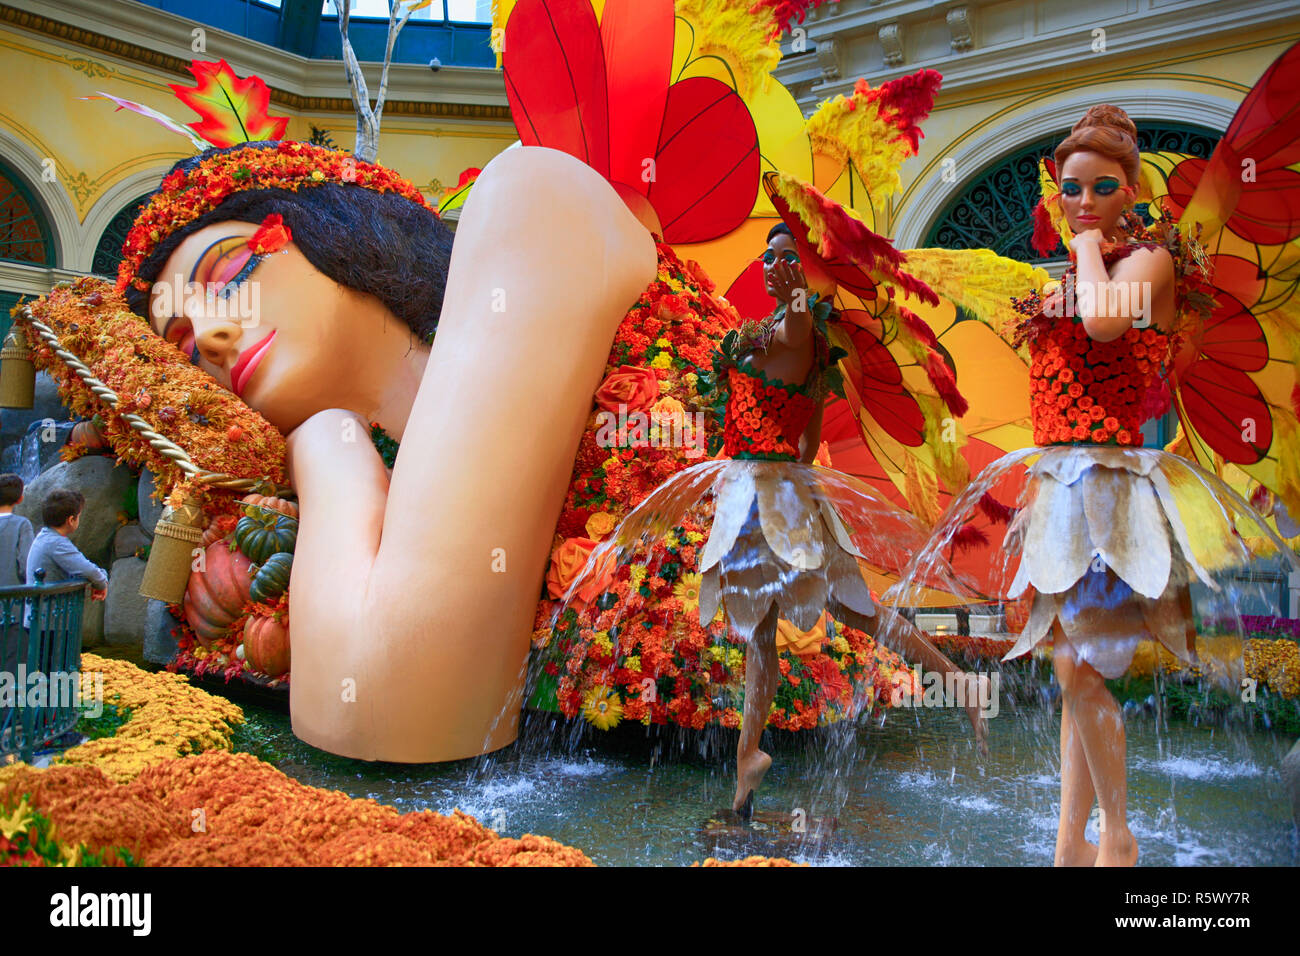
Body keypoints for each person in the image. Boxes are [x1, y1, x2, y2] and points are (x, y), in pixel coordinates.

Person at [889, 104, 1300, 866]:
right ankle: (1068, 843)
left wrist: (1082, 252)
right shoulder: (1088, 266)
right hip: (1062, 486)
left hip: (1117, 490)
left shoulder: (1150, 265)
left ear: (1132, 189)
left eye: (1100, 187)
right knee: (1068, 663)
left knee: (1080, 665)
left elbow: (1108, 322)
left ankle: (1116, 833)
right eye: (1069, 189)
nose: (1082, 203)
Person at [549, 221, 989, 816]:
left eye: (786, 259)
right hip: (766, 488)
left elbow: (800, 337)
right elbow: (806, 447)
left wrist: (802, 294)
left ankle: (949, 684)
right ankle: (749, 761)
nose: (772, 266)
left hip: (769, 499)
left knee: (841, 614)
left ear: (804, 274)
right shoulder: (788, 346)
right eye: (768, 256)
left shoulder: (799, 332)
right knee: (771, 630)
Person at [0, 473, 35, 669]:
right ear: (20, 498)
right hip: (12, 608)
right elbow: (26, 565)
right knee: (11, 668)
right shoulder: (21, 525)